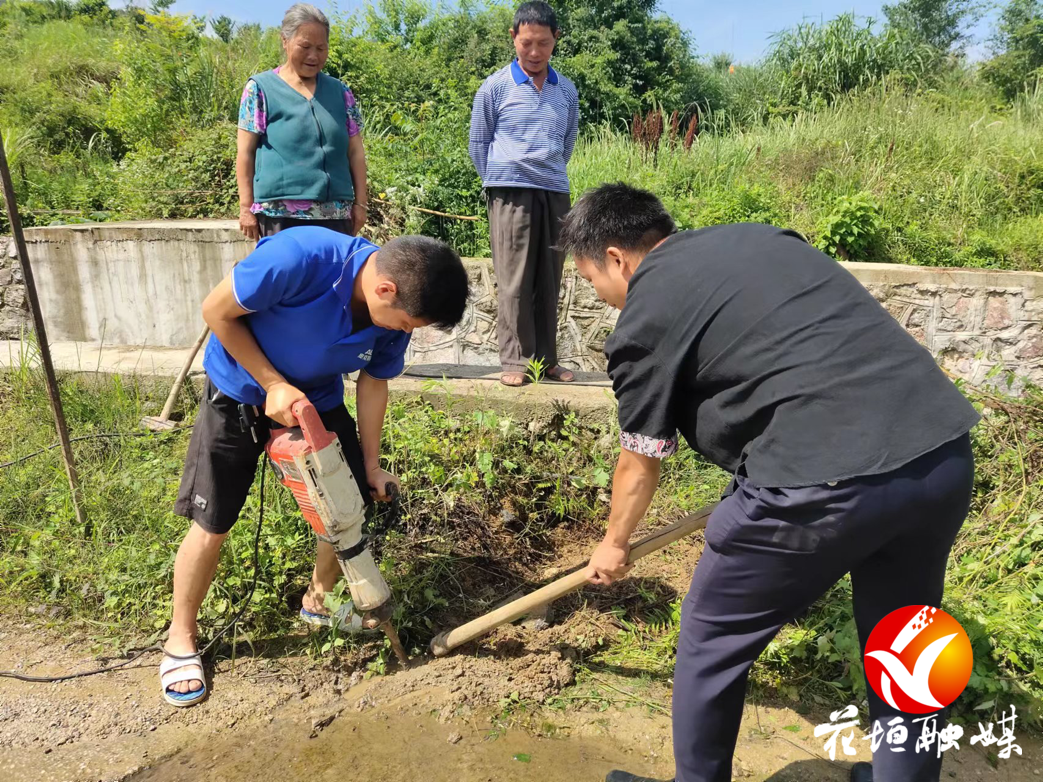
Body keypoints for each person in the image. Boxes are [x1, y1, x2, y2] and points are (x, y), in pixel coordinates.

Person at [557, 183, 980, 782]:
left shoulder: (645, 315)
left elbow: (640, 460)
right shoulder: (761, 238)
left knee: (711, 643)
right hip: (937, 456)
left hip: (816, 486)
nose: (602, 299)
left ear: (618, 258)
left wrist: (615, 543)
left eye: (592, 281)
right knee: (908, 641)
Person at [159, 227, 470, 707]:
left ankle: (318, 603)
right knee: (212, 522)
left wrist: (371, 466)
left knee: (345, 507)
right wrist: (271, 384)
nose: (406, 332)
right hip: (238, 394)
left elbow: (372, 384)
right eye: (408, 323)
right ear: (385, 289)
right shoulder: (299, 258)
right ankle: (180, 637)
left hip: (317, 403)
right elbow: (215, 311)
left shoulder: (389, 315)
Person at [468, 1, 579, 387]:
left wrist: (547, 171)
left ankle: (547, 361)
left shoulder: (566, 90)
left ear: (555, 41)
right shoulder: (495, 86)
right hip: (509, 191)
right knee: (514, 280)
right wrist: (503, 176)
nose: (534, 53)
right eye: (527, 43)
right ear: (513, 38)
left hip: (554, 190)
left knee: (550, 277)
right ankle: (515, 361)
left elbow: (567, 143)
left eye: (544, 44)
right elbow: (479, 143)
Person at [236, 3, 368, 240]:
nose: (313, 56)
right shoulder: (260, 88)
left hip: (336, 215)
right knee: (284, 277)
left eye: (321, 48)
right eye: (305, 46)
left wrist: (361, 204)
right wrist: (246, 208)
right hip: (279, 215)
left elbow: (356, 152)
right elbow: (245, 153)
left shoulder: (340, 92)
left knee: (335, 278)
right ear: (285, 41)